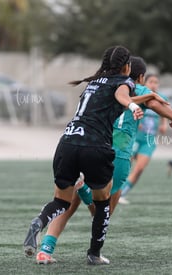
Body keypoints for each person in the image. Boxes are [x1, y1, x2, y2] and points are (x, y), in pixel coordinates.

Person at [30, 56, 172, 265]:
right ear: (141, 77)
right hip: (116, 156)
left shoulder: (105, 85)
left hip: (87, 146)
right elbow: (156, 103)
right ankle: (93, 250)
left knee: (66, 204)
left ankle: (46, 249)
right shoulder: (140, 90)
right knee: (102, 211)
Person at [23, 45, 145, 266]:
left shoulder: (93, 82)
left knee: (61, 201)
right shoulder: (126, 82)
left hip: (67, 142)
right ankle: (94, 254)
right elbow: (122, 94)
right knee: (102, 205)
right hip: (98, 148)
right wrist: (133, 105)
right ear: (127, 67)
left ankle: (39, 223)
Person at [119, 74, 168, 205]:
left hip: (148, 141)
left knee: (139, 169)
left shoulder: (161, 98)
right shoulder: (140, 97)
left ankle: (122, 193)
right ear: (145, 83)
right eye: (151, 81)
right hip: (134, 138)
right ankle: (114, 191)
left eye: (156, 82)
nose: (154, 84)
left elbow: (164, 113)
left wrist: (163, 124)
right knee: (123, 166)